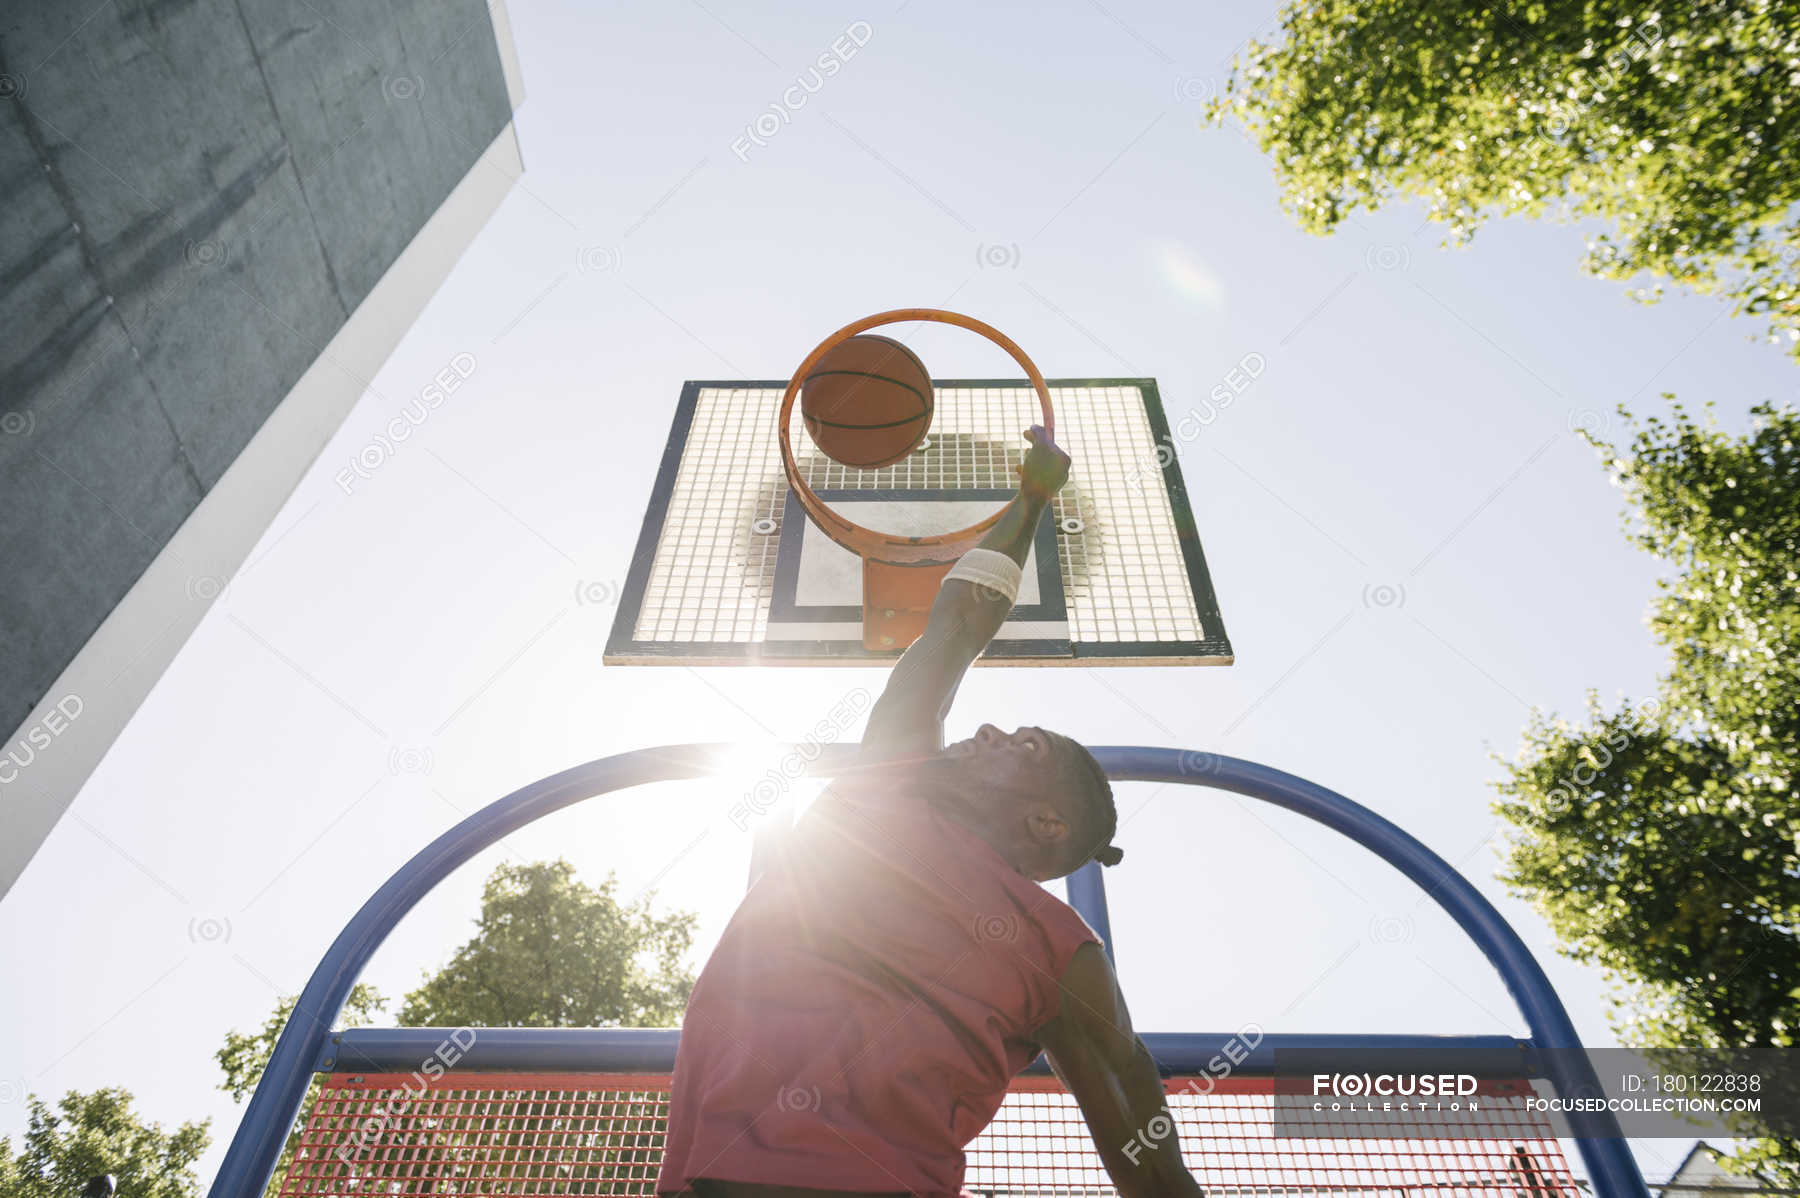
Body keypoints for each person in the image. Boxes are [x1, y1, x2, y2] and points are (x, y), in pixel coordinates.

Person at [657, 427, 1204, 1198]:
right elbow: (953, 629)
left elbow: (1141, 1132)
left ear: (1048, 826)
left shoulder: (1058, 949)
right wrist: (1031, 499)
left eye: (1026, 745)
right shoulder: (883, 789)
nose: (988, 729)